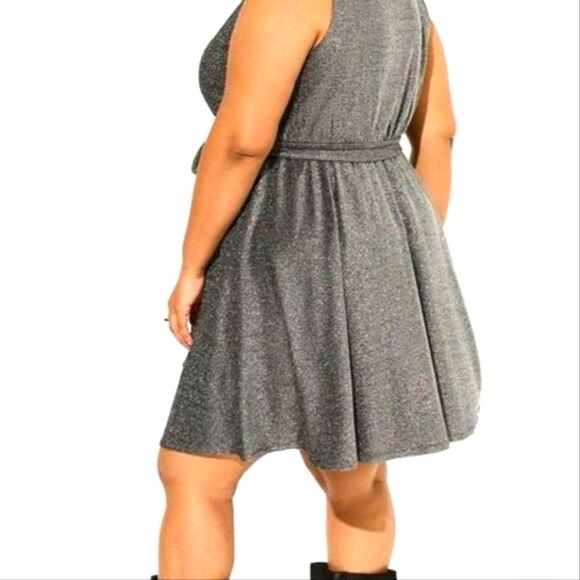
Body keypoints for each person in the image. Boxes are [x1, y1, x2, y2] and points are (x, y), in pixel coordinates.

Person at [152, 0, 482, 578]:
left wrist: (192, 265)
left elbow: (242, 142)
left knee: (196, 470)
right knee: (355, 469)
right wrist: (406, 253)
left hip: (285, 232)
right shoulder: (407, 5)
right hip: (385, 221)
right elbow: (439, 132)